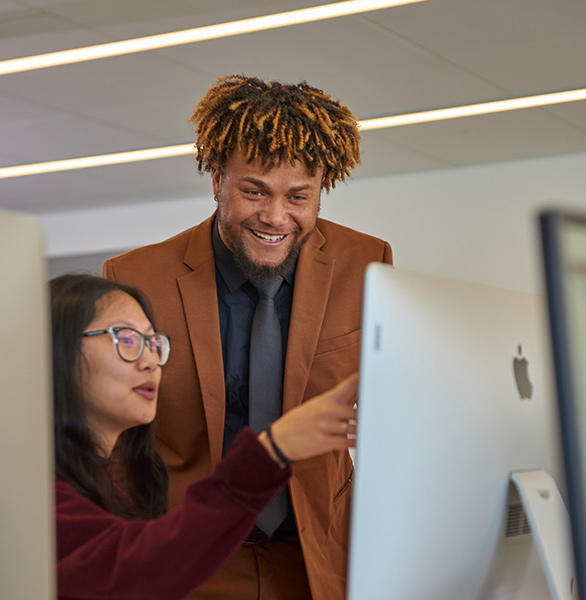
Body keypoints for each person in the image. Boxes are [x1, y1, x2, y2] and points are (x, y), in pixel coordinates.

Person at [103, 74, 393, 600]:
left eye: (298, 197)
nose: (275, 217)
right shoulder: (136, 279)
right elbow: (118, 442)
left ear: (321, 189)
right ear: (217, 179)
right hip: (192, 560)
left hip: (315, 558)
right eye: (254, 191)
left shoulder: (368, 264)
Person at [52, 273, 358, 600]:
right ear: (56, 350)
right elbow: (140, 572)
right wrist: (272, 449)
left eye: (154, 343)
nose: (151, 361)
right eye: (126, 340)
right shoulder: (36, 497)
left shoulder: (114, 490)